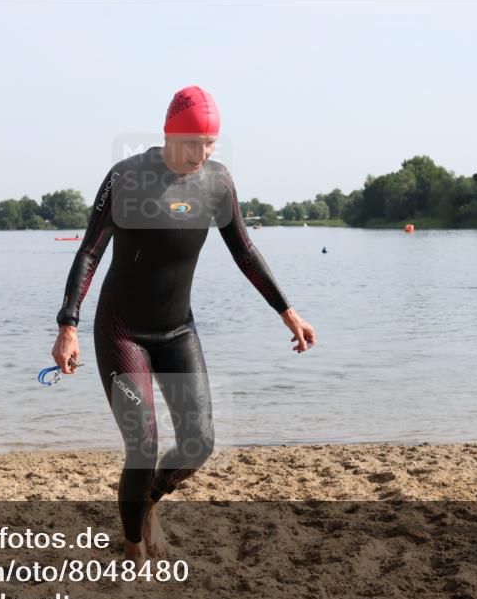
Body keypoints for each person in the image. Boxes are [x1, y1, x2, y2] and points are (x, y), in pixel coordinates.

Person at [51, 85, 316, 562]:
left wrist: (287, 311)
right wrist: (67, 325)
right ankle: (133, 545)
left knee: (199, 443)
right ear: (171, 134)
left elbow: (245, 252)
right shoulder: (126, 178)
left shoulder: (217, 183)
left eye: (211, 143)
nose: (204, 152)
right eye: (195, 142)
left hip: (177, 330)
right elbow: (89, 249)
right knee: (144, 442)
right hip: (122, 331)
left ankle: (148, 504)